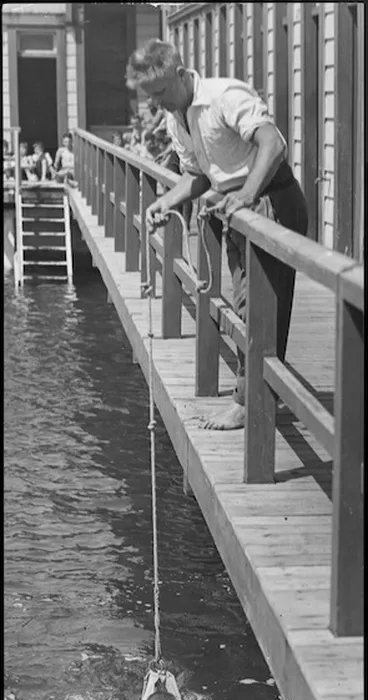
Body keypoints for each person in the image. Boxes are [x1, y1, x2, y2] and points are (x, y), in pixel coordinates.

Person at [126, 40, 308, 430]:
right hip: (239, 209)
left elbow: (272, 143)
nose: (158, 103)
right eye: (150, 97)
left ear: (180, 73)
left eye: (160, 93)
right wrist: (168, 201)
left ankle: (249, 403)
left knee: (257, 305)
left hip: (270, 201)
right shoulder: (179, 115)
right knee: (249, 305)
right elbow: (197, 176)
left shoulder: (223, 96)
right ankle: (256, 394)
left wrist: (246, 193)